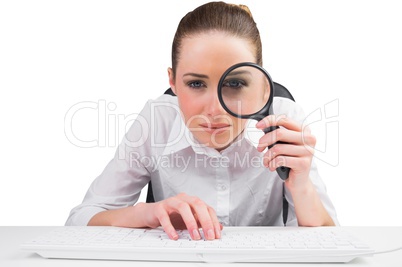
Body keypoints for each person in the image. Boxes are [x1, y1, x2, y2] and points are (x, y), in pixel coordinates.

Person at [66, 1, 338, 241]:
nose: (215, 108)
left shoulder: (284, 121)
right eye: (196, 83)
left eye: (235, 83)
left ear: (263, 86)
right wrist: (145, 214)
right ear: (172, 82)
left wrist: (300, 186)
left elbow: (331, 240)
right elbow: (79, 222)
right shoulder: (156, 120)